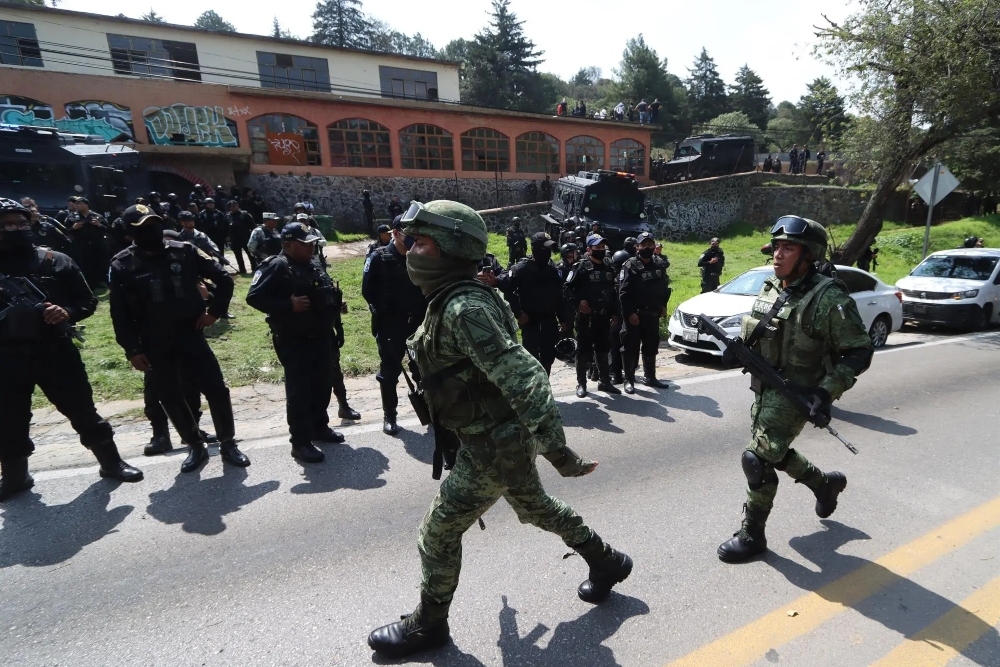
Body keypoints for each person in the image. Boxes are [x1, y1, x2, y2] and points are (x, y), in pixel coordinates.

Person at [366, 200, 632, 659]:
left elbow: (525, 375)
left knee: (439, 532)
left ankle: (428, 625)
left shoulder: (464, 307)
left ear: (450, 249)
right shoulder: (462, 296)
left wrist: (558, 452)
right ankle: (607, 561)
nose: (410, 250)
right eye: (412, 241)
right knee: (537, 508)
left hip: (493, 444)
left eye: (422, 242)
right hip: (494, 436)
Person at [717, 215, 873, 563]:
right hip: (766, 387)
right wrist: (739, 348)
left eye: (788, 248)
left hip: (798, 391)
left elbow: (859, 350)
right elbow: (763, 328)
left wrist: (825, 392)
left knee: (756, 459)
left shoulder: (828, 298)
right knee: (773, 450)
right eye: (776, 246)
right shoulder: (774, 286)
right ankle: (823, 484)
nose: (777, 254)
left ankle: (752, 535)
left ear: (808, 256)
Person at [0, 198, 143, 500]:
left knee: (82, 410)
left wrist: (65, 312)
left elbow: (88, 301)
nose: (16, 229)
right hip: (7, 357)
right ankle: (15, 477)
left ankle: (111, 463)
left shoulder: (55, 260)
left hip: (55, 351)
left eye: (21, 223)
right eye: (7, 224)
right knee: (8, 419)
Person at [108, 204, 250, 474]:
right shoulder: (122, 264)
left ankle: (228, 443)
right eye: (143, 227)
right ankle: (195, 445)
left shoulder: (183, 251)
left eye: (154, 224)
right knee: (171, 396)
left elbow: (223, 276)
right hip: (154, 341)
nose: (152, 231)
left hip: (190, 333)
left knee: (216, 390)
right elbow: (119, 314)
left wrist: (215, 312)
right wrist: (132, 349)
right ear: (130, 232)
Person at [246, 222, 349, 462]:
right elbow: (254, 297)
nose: (311, 247)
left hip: (321, 335)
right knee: (300, 392)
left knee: (322, 385)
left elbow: (322, 292)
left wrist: (335, 305)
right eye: (305, 244)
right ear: (288, 244)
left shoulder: (312, 264)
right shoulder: (276, 266)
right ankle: (300, 442)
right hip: (295, 340)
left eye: (312, 242)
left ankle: (319, 427)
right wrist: (287, 306)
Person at [362, 220, 426, 435]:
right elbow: (367, 290)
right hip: (391, 324)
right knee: (390, 372)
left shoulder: (419, 256)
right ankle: (390, 414)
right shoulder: (379, 257)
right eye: (410, 234)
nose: (414, 239)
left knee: (423, 368)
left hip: (417, 322)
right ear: (396, 233)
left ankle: (429, 408)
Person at [564, 235, 621, 398]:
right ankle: (581, 384)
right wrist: (578, 303)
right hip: (586, 319)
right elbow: (567, 289)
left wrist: (615, 312)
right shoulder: (580, 267)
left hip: (603, 318)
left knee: (603, 349)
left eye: (603, 247)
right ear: (589, 249)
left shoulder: (608, 266)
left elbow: (613, 291)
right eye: (597, 247)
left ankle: (604, 382)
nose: (601, 250)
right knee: (582, 352)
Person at [500, 232, 564, 375]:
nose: (548, 252)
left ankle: (545, 388)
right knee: (531, 358)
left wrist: (564, 319)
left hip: (549, 320)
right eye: (544, 249)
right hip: (530, 321)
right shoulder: (522, 269)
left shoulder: (552, 271)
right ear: (535, 249)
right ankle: (533, 393)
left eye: (549, 249)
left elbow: (559, 296)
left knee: (548, 357)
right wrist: (518, 313)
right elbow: (508, 290)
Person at [618, 232, 671, 394]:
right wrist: (630, 313)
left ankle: (651, 377)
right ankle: (629, 380)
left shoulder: (659, 263)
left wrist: (663, 305)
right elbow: (623, 293)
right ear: (637, 247)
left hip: (653, 314)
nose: (647, 247)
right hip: (635, 315)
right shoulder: (629, 265)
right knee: (630, 348)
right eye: (644, 245)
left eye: (650, 244)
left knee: (651, 346)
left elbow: (664, 287)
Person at [66, 197, 110, 289]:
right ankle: (90, 285)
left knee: (101, 263)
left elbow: (109, 229)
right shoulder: (71, 217)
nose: (76, 205)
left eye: (79, 203)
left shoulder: (97, 216)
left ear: (86, 205)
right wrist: (73, 228)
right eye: (76, 204)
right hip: (81, 246)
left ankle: (104, 282)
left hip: (98, 245)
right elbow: (65, 232)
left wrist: (99, 225)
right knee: (85, 266)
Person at [227, 199, 257, 274]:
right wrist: (227, 237)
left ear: (237, 205)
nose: (233, 207)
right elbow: (225, 227)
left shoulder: (245, 214)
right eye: (231, 206)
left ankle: (254, 267)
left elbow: (252, 226)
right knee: (238, 255)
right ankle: (242, 269)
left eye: (234, 206)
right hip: (234, 239)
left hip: (245, 237)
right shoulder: (228, 216)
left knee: (250, 254)